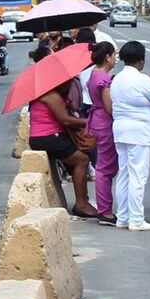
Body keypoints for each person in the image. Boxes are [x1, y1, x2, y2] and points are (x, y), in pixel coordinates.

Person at [110, 41, 150, 231]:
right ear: (141, 61)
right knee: (138, 176)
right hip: (139, 131)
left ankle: (123, 217)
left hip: (120, 128)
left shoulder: (117, 78)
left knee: (124, 174)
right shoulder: (142, 80)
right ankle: (136, 219)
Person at [28, 80, 96, 218]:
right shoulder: (51, 96)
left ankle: (83, 198)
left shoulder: (49, 94)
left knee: (77, 157)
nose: (69, 85)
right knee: (82, 160)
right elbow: (65, 120)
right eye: (67, 83)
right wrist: (90, 122)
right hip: (48, 138)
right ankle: (81, 204)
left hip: (46, 137)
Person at [85, 43, 118, 226]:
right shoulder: (103, 78)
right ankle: (105, 211)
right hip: (105, 123)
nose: (115, 60)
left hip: (97, 121)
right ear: (107, 57)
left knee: (104, 166)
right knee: (105, 168)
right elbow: (110, 108)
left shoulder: (94, 73)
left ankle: (105, 208)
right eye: (114, 56)